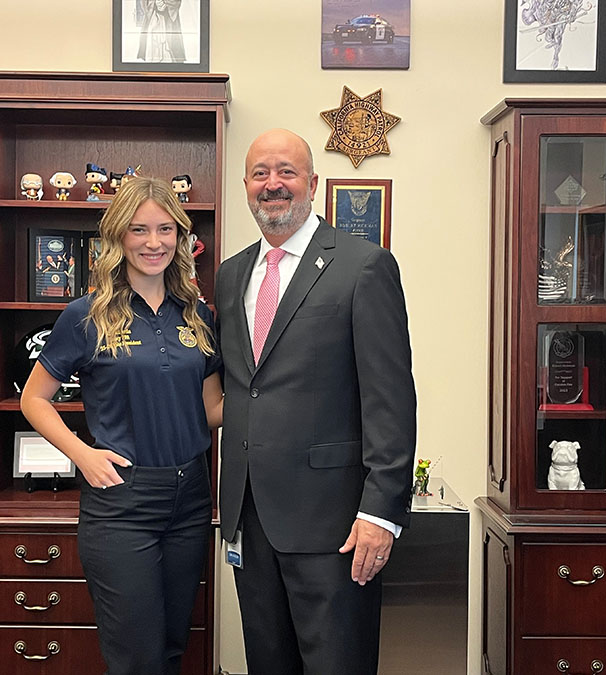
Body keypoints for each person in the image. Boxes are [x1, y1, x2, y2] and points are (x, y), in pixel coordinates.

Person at [214, 128, 416, 675]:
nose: (273, 184)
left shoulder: (363, 265)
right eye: (260, 173)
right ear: (246, 184)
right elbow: (244, 387)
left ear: (313, 182)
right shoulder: (231, 275)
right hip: (250, 519)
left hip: (336, 526)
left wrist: (381, 512)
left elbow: (391, 401)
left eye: (287, 171)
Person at [21, 176, 223, 675]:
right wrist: (83, 455)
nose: (154, 242)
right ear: (118, 237)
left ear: (180, 236)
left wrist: (279, 395)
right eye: (139, 230)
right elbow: (34, 399)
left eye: (165, 229)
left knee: (173, 647)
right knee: (136, 658)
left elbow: (212, 410)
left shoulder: (198, 315)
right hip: (122, 504)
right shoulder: (85, 315)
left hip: (191, 498)